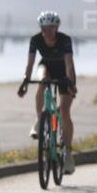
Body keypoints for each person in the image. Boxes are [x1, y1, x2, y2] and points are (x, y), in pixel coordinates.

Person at [18, 11, 78, 174]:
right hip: (47, 67)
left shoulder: (65, 40)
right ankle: (39, 120)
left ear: (56, 28)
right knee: (42, 80)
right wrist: (25, 81)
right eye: (44, 28)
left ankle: (67, 153)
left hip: (64, 73)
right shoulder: (35, 40)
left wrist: (71, 83)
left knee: (64, 111)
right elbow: (30, 64)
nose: (47, 32)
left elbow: (69, 64)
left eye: (51, 28)